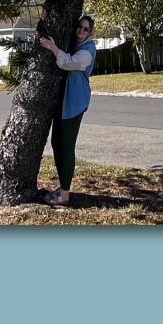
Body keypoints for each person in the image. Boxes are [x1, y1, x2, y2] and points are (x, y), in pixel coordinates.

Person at [36, 15, 96, 207]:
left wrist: (53, 47)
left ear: (90, 32)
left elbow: (68, 63)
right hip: (64, 102)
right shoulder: (77, 45)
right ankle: (62, 187)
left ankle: (65, 194)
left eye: (85, 28)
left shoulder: (88, 50)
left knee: (67, 146)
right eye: (79, 26)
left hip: (75, 103)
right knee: (56, 143)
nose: (81, 30)